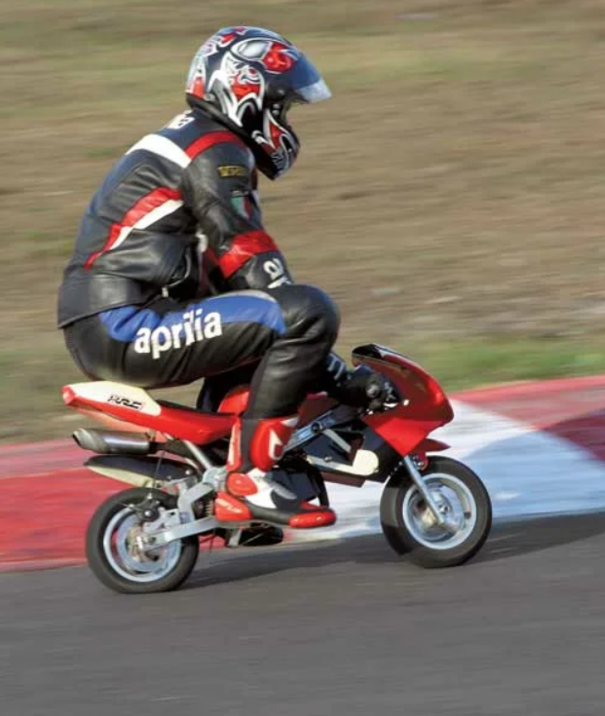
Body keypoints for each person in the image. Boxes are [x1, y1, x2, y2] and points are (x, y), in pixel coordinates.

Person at [57, 26, 390, 530]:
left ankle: (217, 474)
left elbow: (231, 287)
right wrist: (329, 356)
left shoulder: (194, 138)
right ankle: (251, 476)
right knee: (308, 309)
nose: (283, 121)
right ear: (247, 95)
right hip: (123, 322)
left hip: (113, 318)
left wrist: (330, 371)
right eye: (281, 107)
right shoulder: (215, 151)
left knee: (260, 327)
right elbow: (247, 253)